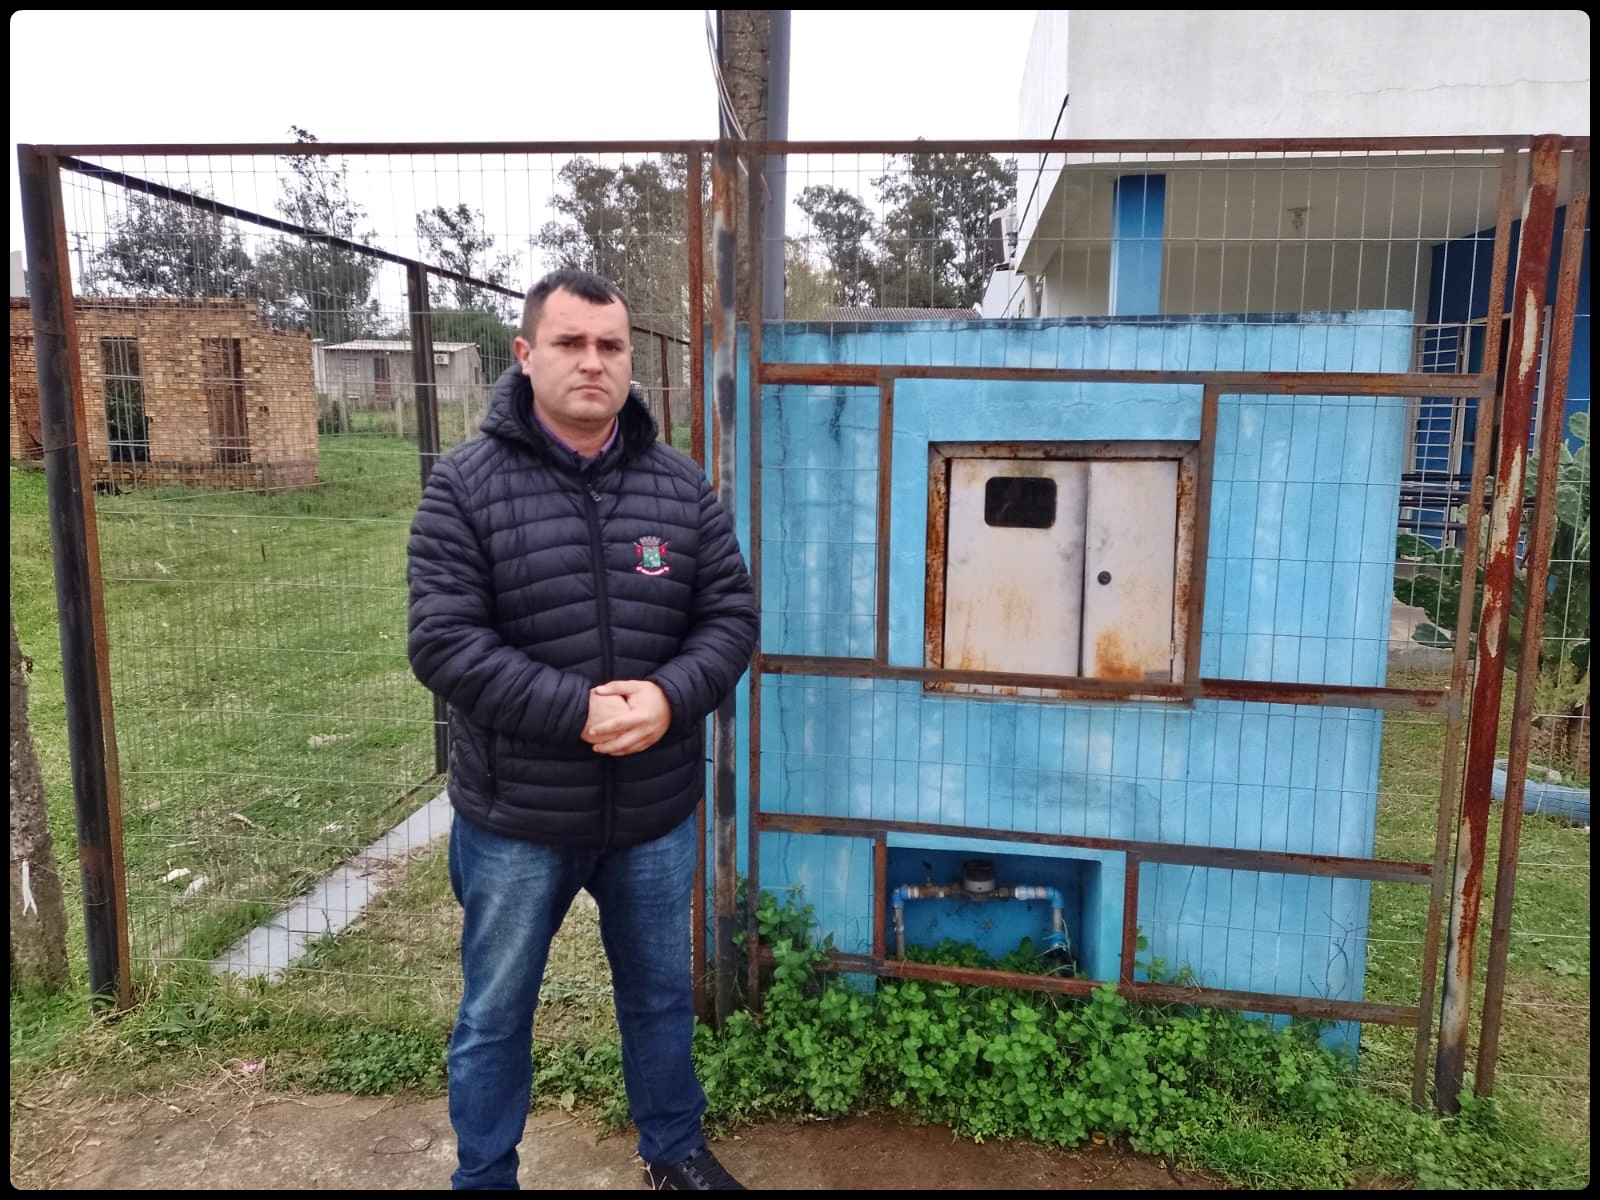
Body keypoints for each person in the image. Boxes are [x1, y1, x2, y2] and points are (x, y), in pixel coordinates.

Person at [407, 268, 758, 1191]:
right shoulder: (464, 488)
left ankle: (672, 1153)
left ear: (629, 362)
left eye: (610, 347)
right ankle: (484, 1176)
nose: (592, 363)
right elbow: (443, 642)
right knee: (495, 1013)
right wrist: (579, 709)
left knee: (659, 1000)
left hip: (650, 813)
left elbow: (729, 618)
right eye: (570, 343)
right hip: (517, 817)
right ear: (524, 357)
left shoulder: (680, 488)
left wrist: (672, 697)